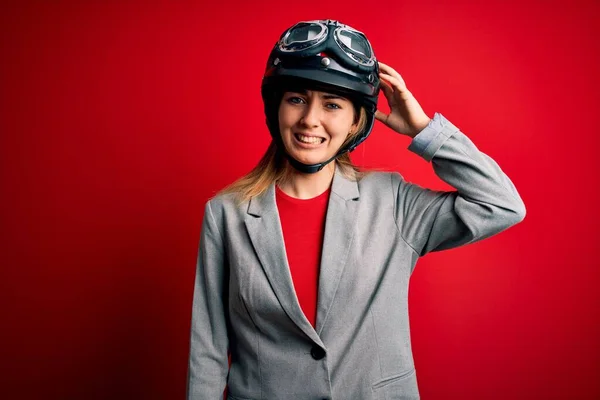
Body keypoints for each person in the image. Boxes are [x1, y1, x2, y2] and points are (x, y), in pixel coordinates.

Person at [186, 19, 526, 400]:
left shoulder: (393, 202)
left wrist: (423, 130)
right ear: (276, 106)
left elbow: (501, 204)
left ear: (355, 122)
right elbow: (208, 350)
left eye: (332, 105)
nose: (310, 119)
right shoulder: (226, 214)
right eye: (297, 98)